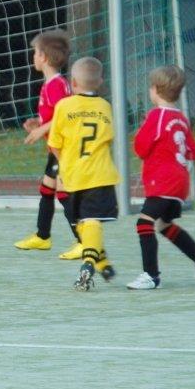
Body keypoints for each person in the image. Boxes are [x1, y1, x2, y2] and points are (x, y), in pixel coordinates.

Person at [127, 66, 195, 289]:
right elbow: (193, 151)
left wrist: (141, 136)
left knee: (144, 223)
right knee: (164, 225)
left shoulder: (156, 116)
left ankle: (151, 276)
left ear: (155, 90)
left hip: (162, 182)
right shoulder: (181, 118)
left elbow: (140, 147)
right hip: (180, 183)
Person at [47, 57, 119, 291]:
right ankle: (96, 263)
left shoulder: (63, 106)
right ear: (100, 82)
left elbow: (54, 144)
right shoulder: (105, 107)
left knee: (84, 222)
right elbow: (108, 138)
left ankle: (94, 263)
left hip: (73, 175)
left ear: (73, 83)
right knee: (90, 221)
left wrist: (65, 164)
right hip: (100, 174)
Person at [13, 30, 83, 259]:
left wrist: (42, 129)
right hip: (56, 148)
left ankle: (84, 241)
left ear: (43, 57)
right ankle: (43, 236)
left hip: (65, 149)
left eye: (35, 53)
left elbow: (67, 116)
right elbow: (56, 115)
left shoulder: (55, 85)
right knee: (47, 189)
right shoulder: (53, 84)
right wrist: (39, 123)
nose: (33, 57)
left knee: (63, 194)